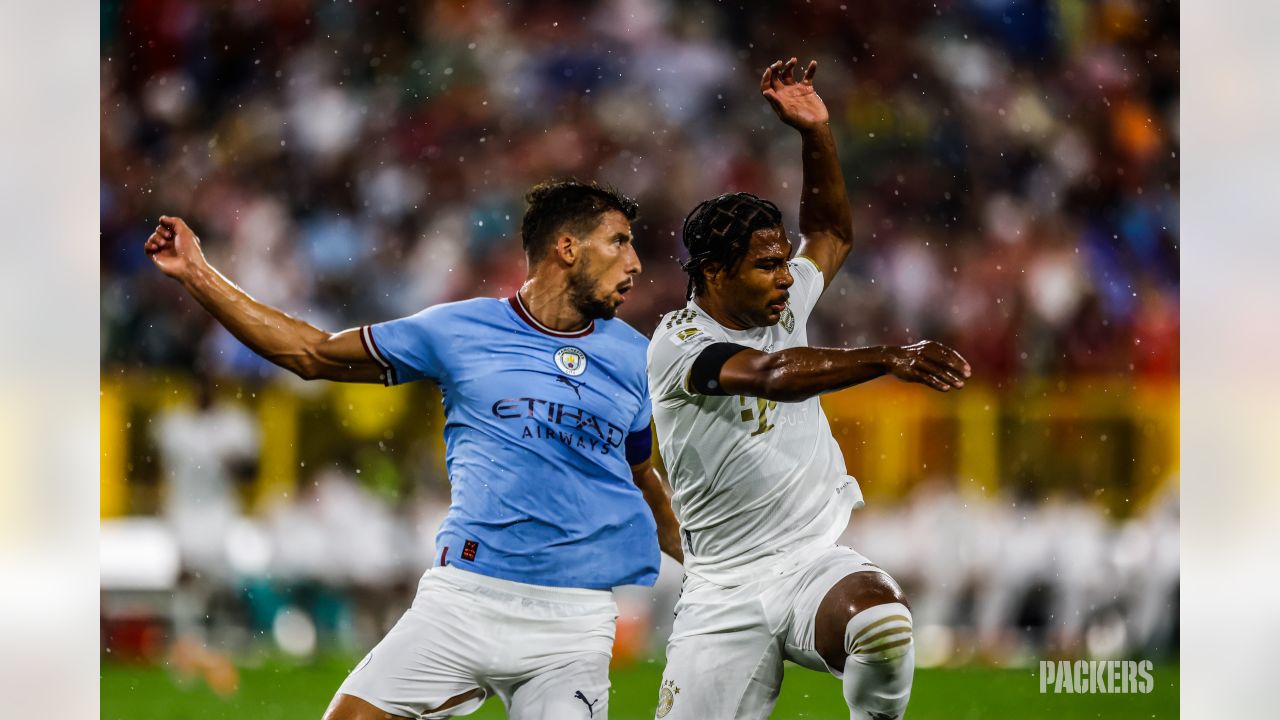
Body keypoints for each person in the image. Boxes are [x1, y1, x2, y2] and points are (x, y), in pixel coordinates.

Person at [145, 179, 683, 720]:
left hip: (573, 623)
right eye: (619, 242)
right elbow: (310, 353)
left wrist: (708, 571)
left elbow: (643, 478)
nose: (635, 263)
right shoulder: (459, 330)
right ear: (567, 248)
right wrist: (197, 273)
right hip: (463, 600)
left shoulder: (634, 358)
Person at [646, 58, 971, 720]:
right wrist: (885, 356)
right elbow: (771, 376)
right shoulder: (678, 344)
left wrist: (816, 134)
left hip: (809, 562)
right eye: (766, 267)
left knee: (881, 622)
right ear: (713, 274)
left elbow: (830, 233)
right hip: (723, 588)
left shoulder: (781, 309)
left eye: (782, 264)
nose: (786, 279)